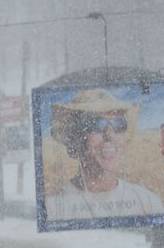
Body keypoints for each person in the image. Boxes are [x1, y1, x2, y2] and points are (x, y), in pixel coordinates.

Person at [46, 88, 164, 222]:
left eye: (119, 124)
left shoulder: (148, 202)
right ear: (77, 136)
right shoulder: (53, 208)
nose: (110, 134)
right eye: (96, 124)